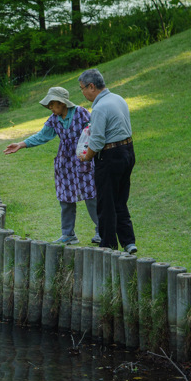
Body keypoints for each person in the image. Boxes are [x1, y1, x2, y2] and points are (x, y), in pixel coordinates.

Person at [4, 86, 99, 245]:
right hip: (65, 162)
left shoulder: (81, 113)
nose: (50, 107)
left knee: (91, 195)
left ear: (62, 103)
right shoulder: (54, 119)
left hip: (84, 158)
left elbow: (95, 130)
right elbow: (42, 136)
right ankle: (68, 234)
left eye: (52, 104)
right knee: (65, 198)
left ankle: (102, 231)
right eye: (49, 105)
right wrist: (21, 144)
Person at [76, 68, 136, 254]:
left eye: (82, 89)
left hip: (110, 156)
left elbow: (97, 140)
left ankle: (108, 245)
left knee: (106, 202)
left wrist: (86, 157)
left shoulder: (100, 108)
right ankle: (129, 242)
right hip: (128, 151)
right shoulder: (118, 98)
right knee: (120, 200)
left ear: (92, 87)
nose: (83, 93)